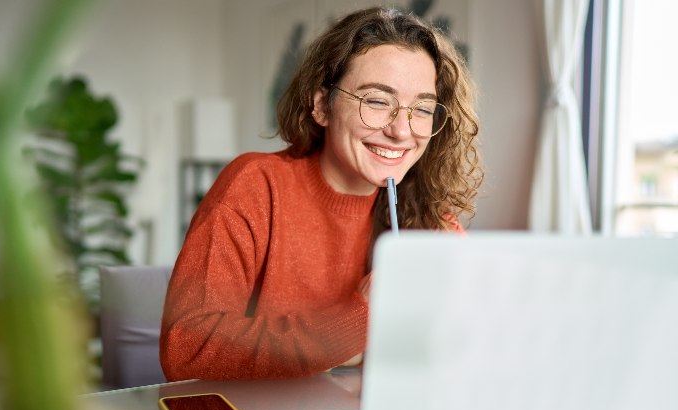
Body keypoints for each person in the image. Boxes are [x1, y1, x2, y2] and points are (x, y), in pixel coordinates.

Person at [160, 6, 482, 381]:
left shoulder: (428, 217)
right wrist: (358, 319)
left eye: (422, 109)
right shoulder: (255, 186)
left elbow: (465, 347)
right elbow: (187, 349)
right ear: (321, 105)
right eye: (377, 101)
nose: (401, 130)